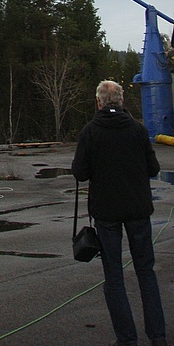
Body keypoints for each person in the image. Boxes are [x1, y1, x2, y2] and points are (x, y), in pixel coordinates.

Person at [72, 80, 167, 346]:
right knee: (145, 271)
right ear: (121, 101)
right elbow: (152, 168)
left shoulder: (90, 131)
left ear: (99, 102)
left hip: (107, 213)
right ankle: (158, 336)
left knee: (113, 276)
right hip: (138, 209)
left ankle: (127, 339)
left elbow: (80, 172)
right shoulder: (137, 130)